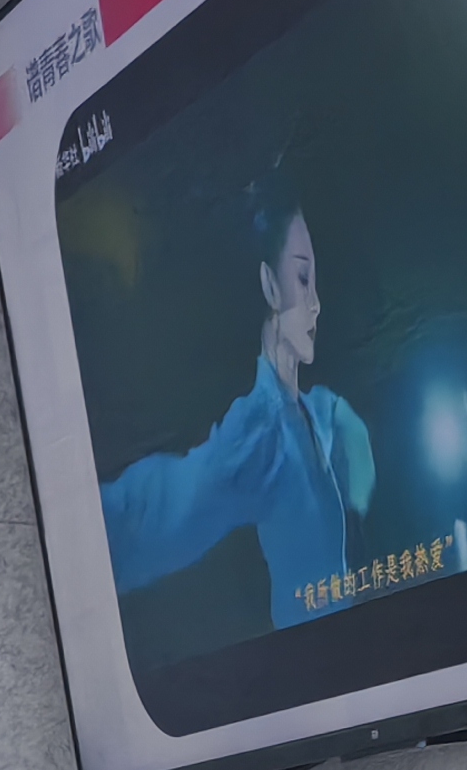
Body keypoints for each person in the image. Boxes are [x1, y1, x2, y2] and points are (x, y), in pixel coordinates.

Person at [98, 174, 379, 628]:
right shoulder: (259, 433)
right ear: (270, 285)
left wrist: (352, 477)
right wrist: (76, 535)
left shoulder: (312, 412)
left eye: (313, 280)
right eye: (302, 278)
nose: (315, 302)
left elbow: (342, 426)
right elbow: (162, 509)